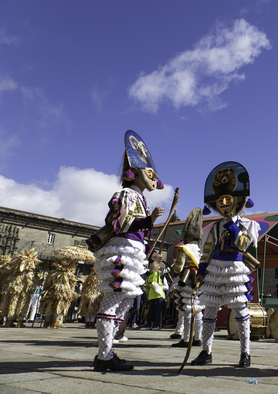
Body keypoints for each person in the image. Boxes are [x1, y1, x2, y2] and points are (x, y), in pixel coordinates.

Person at [91, 130, 165, 372]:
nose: (153, 178)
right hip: (122, 250)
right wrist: (149, 220)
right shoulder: (126, 194)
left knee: (125, 305)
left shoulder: (139, 197)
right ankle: (104, 355)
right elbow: (120, 223)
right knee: (112, 304)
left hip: (133, 252)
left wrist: (148, 222)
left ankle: (108, 352)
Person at [191, 161, 260, 368]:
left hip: (234, 269)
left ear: (237, 201)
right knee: (209, 312)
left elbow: (243, 244)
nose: (223, 203)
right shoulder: (212, 227)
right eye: (220, 200)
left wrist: (231, 225)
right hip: (213, 270)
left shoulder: (248, 224)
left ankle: (245, 353)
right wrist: (201, 271)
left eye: (228, 199)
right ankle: (206, 351)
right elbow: (207, 251)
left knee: (240, 311)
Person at [171, 207, 205, 348]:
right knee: (197, 312)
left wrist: (173, 267)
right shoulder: (201, 250)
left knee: (187, 311)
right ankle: (197, 338)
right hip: (200, 283)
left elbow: (178, 268)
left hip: (187, 283)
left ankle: (186, 339)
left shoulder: (184, 249)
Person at [146, 262, 168, 330]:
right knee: (157, 311)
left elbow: (147, 288)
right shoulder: (158, 274)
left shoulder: (149, 277)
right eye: (158, 268)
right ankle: (156, 325)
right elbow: (167, 270)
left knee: (151, 311)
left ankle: (149, 325)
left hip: (151, 296)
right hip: (158, 295)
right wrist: (173, 265)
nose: (159, 269)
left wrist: (147, 296)